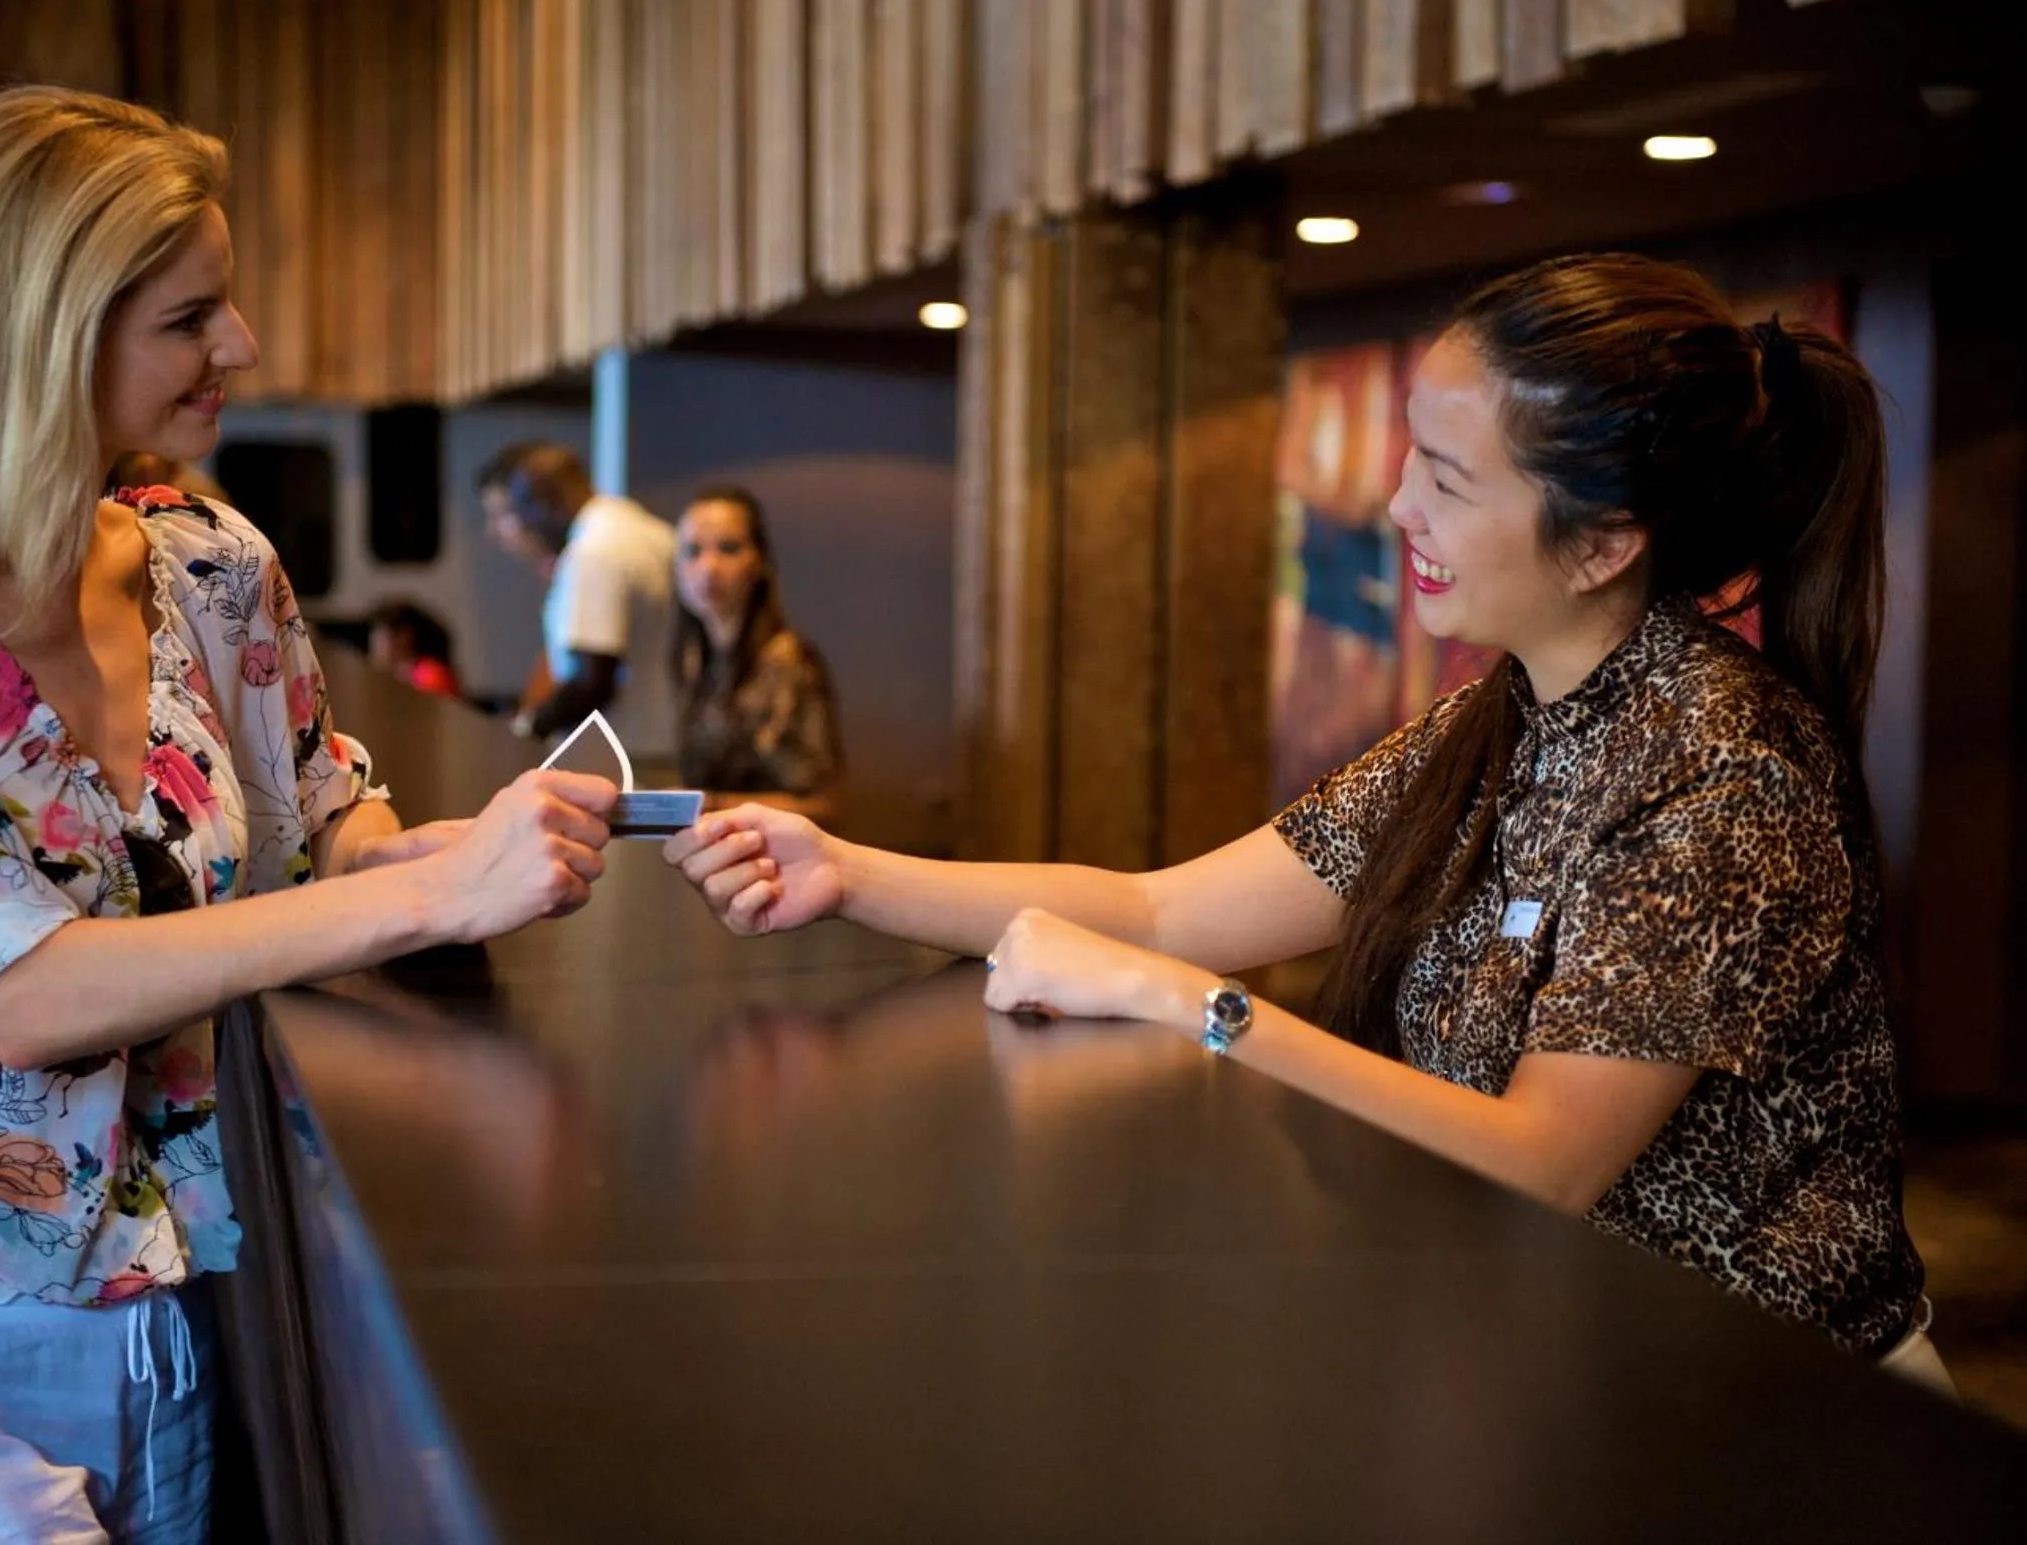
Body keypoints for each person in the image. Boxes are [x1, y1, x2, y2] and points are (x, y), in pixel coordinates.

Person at [668, 253, 1952, 1392]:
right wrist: (845, 871)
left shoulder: (1721, 771)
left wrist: (1192, 1006)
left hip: (1773, 1419)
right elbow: (1163, 907)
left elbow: (1544, 1162)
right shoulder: (1499, 717)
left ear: (1602, 543)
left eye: (1445, 479)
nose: (1397, 508)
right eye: (1409, 457)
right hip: (1574, 1366)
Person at [0, 85, 617, 1542]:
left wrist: (424, 851)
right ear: (39, 330)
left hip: (181, 1324)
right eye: (190, 317)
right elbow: (18, 995)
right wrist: (427, 898)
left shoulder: (210, 561)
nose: (240, 347)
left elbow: (320, 820)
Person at [477, 441, 677, 750]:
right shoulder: (648, 530)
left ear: (537, 504)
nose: (495, 533)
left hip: (622, 755)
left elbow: (590, 683)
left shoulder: (593, 550)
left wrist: (524, 729)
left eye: (503, 514)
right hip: (662, 743)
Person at [672, 484, 842, 821]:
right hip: (714, 843)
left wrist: (711, 804)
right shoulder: (693, 659)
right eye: (693, 551)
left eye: (728, 548)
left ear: (759, 561)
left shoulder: (787, 663)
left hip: (777, 847)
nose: (709, 567)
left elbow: (824, 803)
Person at [368, 599, 464, 700]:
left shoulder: (429, 677)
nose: (374, 646)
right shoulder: (401, 676)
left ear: (403, 637)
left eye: (380, 638)